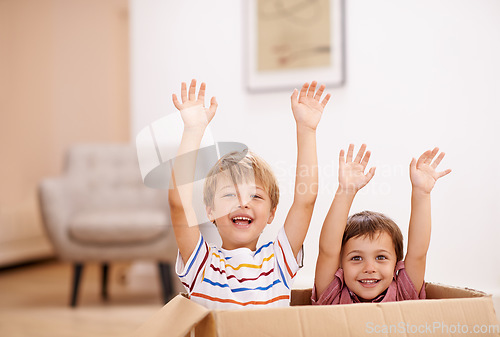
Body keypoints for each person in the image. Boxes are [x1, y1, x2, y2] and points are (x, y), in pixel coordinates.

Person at [168, 79, 330, 309]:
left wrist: (307, 130)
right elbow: (178, 204)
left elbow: (306, 200)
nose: (243, 202)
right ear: (210, 211)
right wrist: (194, 131)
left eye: (255, 196)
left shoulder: (279, 261)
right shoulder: (202, 264)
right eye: (229, 195)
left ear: (272, 213)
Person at [312, 144, 451, 304]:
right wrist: (346, 191)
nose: (369, 268)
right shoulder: (332, 297)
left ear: (396, 265)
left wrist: (422, 193)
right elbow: (327, 251)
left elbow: (418, 253)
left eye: (381, 257)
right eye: (356, 258)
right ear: (340, 265)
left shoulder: (403, 294)